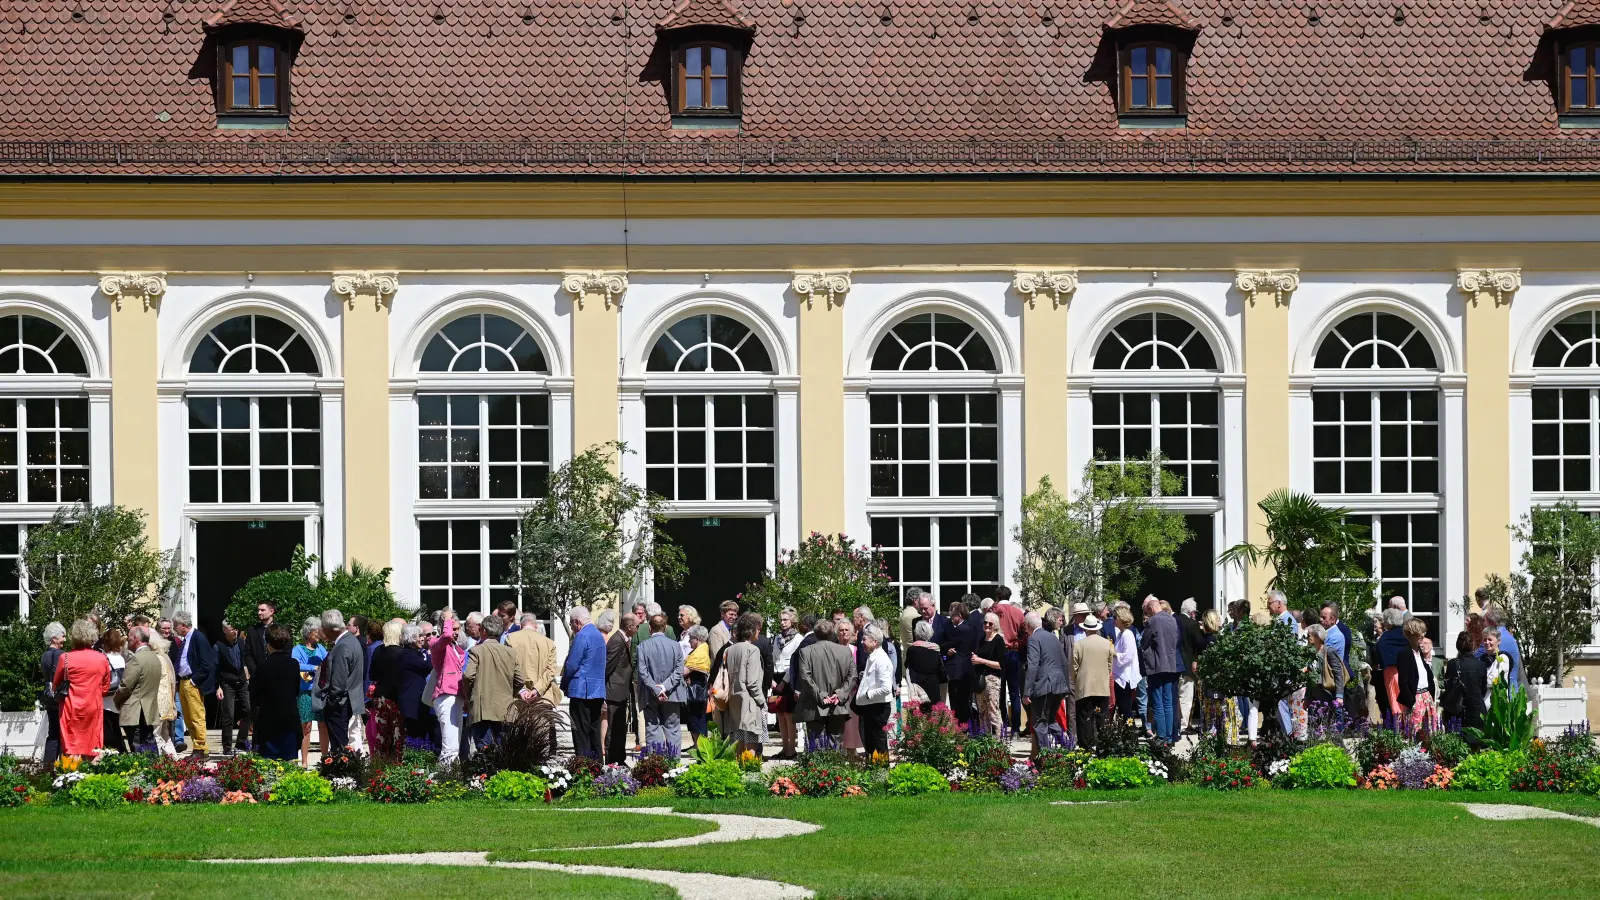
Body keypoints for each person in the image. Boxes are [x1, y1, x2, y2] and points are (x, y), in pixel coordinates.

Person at [50, 619, 111, 758]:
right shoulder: (102, 658)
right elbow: (105, 688)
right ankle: (92, 776)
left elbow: (55, 686)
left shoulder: (64, 658)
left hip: (70, 708)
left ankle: (71, 776)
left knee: (71, 747)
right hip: (93, 707)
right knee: (93, 747)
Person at [796, 618, 856, 747]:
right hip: (838, 704)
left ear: (815, 633)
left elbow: (805, 677)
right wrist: (839, 694)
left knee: (816, 746)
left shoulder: (806, 652)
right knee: (836, 744)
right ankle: (835, 767)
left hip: (814, 705)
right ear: (832, 633)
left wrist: (821, 695)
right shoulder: (845, 651)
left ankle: (817, 768)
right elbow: (852, 676)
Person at [463, 614, 521, 748]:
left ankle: (486, 770)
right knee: (503, 750)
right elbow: (520, 679)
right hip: (505, 707)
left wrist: (468, 696)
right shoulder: (511, 653)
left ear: (483, 631)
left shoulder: (476, 651)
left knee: (484, 751)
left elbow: (468, 676)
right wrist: (510, 693)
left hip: (481, 707)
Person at [252, 624, 304, 761]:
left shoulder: (262, 666)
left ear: (267, 643)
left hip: (269, 722)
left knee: (269, 766)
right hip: (289, 720)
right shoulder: (294, 664)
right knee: (290, 765)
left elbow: (255, 695)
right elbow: (296, 690)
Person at [561, 606, 607, 759]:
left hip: (581, 690)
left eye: (571, 624)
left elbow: (572, 664)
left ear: (577, 622)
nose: (572, 628)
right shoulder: (599, 636)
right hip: (597, 690)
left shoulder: (582, 635)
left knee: (580, 731)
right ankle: (597, 765)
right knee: (594, 730)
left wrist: (564, 684)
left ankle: (583, 766)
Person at [637, 613, 687, 749]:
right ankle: (673, 763)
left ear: (649, 628)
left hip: (649, 694)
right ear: (665, 628)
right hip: (672, 693)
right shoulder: (676, 646)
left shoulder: (642, 647)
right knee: (673, 729)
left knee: (653, 728)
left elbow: (642, 672)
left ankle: (657, 765)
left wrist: (657, 688)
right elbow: (679, 670)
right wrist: (665, 687)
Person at [320, 609, 366, 752]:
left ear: (330, 629)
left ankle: (340, 773)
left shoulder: (343, 645)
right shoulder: (351, 640)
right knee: (343, 744)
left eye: (324, 628)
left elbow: (338, 682)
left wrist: (330, 701)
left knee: (339, 746)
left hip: (341, 703)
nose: (323, 632)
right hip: (348, 699)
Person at [170, 610, 215, 756]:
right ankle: (198, 747)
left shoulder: (198, 637)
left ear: (183, 625)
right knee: (188, 718)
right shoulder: (186, 639)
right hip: (184, 682)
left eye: (175, 625)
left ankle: (200, 747)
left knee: (196, 716)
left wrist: (195, 680)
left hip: (192, 682)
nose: (174, 629)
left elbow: (206, 664)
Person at [1022, 611, 1068, 750]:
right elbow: (1064, 662)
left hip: (1043, 686)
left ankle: (1045, 756)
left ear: (1028, 625)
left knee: (1039, 723)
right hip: (1058, 685)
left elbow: (1033, 665)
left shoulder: (1034, 638)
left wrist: (1026, 692)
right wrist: (1065, 686)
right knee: (1051, 720)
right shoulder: (1052, 636)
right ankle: (1068, 747)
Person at [725, 612, 768, 757]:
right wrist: (762, 702)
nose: (759, 632)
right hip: (749, 701)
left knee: (738, 741)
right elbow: (753, 682)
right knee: (751, 742)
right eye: (758, 628)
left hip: (734, 700)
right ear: (751, 631)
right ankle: (750, 773)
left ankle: (738, 774)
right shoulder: (752, 650)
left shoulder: (730, 649)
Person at [1140, 596, 1181, 743]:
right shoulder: (1172, 619)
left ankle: (1162, 736)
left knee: (1158, 703)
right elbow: (1176, 640)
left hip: (1156, 666)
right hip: (1170, 665)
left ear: (1151, 608)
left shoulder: (1153, 621)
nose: (1147, 614)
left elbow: (1144, 643)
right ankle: (1169, 736)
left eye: (1147, 611)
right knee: (1168, 702)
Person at [368, 619, 410, 761]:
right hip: (397, 698)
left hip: (380, 697)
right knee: (399, 734)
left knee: (382, 734)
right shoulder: (403, 653)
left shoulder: (378, 651)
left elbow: (372, 675)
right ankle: (398, 765)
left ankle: (379, 766)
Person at [115, 625, 162, 750]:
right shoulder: (155, 657)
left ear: (136, 639)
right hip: (149, 710)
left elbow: (125, 686)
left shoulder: (135, 659)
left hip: (135, 711)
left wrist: (116, 700)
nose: (127, 641)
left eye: (129, 638)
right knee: (150, 748)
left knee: (137, 750)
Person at [1072, 615, 1114, 749]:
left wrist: (1076, 680)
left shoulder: (1078, 644)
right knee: (1102, 716)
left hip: (1084, 685)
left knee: (1084, 716)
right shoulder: (1107, 643)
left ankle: (1086, 746)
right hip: (1102, 684)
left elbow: (1074, 667)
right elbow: (1109, 665)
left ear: (1085, 629)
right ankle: (1103, 743)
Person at [854, 623, 895, 756]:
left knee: (878, 743)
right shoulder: (874, 657)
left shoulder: (881, 660)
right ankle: (875, 771)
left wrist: (867, 694)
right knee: (872, 744)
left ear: (875, 642)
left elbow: (886, 688)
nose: (862, 642)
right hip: (871, 706)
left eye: (864, 639)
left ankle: (880, 773)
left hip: (878, 707)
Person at [288, 619, 325, 765]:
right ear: (309, 632)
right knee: (306, 727)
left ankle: (325, 759)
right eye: (317, 631)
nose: (319, 634)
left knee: (323, 725)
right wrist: (314, 668)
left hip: (320, 691)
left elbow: (327, 662)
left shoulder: (321, 648)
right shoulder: (297, 649)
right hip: (305, 692)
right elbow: (296, 665)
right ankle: (304, 762)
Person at [1391, 617, 1436, 735]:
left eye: (1423, 632)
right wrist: (1411, 702)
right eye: (1418, 632)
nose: (1422, 635)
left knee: (1429, 733)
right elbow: (1403, 681)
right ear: (1410, 634)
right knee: (1415, 733)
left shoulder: (1419, 652)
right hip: (1415, 698)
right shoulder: (1405, 653)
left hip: (1426, 697)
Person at [603, 612, 637, 765]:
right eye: (636, 626)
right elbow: (608, 666)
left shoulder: (623, 638)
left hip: (621, 690)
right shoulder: (617, 640)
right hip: (614, 691)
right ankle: (612, 760)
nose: (638, 629)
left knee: (619, 727)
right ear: (629, 627)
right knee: (613, 728)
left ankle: (619, 759)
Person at [990, 586, 1026, 733]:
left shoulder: (993, 611)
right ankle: (1016, 728)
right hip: (1013, 652)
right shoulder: (1018, 612)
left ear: (997, 596)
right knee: (1014, 692)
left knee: (998, 690)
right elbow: (1024, 633)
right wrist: (1018, 643)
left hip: (997, 652)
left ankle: (1003, 725)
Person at [506, 613, 561, 706]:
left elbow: (508, 666)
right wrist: (537, 690)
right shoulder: (549, 643)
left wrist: (522, 690)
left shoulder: (510, 639)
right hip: (543, 698)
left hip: (518, 699)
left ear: (520, 626)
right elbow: (550, 671)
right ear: (535, 625)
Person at [1442, 630, 1489, 736]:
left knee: (1456, 741)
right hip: (1476, 707)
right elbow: (1483, 689)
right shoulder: (1480, 665)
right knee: (1476, 743)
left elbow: (1448, 687)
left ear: (1457, 646)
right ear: (1472, 645)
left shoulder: (1452, 664)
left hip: (1456, 709)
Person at [215, 621, 251, 755]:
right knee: (228, 715)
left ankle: (241, 742)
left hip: (241, 681)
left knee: (247, 710)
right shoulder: (218, 646)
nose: (235, 631)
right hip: (226, 682)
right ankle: (227, 746)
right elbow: (215, 668)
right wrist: (218, 686)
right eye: (231, 629)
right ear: (224, 630)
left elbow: (245, 659)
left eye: (236, 629)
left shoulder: (242, 643)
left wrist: (247, 671)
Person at [770, 607, 802, 759]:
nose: (782, 623)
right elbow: (773, 657)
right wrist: (771, 678)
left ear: (792, 621)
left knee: (789, 715)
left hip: (789, 678)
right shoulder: (776, 638)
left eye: (785, 620)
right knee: (780, 714)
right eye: (781, 620)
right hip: (776, 676)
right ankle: (784, 748)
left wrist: (784, 681)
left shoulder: (798, 639)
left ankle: (791, 748)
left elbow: (795, 663)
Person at [942, 599, 980, 726]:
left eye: (953, 615)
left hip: (957, 669)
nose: (951, 618)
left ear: (960, 616)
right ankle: (966, 726)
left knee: (957, 701)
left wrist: (945, 649)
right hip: (967, 668)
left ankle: (961, 727)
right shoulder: (971, 628)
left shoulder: (960, 629)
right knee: (965, 700)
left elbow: (947, 643)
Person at [394, 623, 434, 738]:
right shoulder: (407, 655)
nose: (422, 639)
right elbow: (428, 666)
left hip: (418, 699)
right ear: (411, 638)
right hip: (411, 701)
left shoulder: (416, 653)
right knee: (413, 733)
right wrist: (431, 653)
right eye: (419, 636)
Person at [243, 601, 275, 740]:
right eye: (258, 610)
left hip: (275, 677)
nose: (259, 613)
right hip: (258, 677)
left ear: (271, 611)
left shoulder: (281, 629)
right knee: (256, 712)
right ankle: (257, 745)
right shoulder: (253, 630)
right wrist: (255, 671)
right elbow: (247, 653)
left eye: (262, 610)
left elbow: (286, 651)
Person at [145, 630, 179, 756]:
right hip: (166, 703)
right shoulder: (163, 657)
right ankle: (174, 762)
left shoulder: (155, 659)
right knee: (165, 735)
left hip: (158, 703)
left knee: (157, 735)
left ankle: (158, 764)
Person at [972, 612, 1005, 736]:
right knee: (982, 711)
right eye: (985, 622)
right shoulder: (982, 639)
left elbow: (1000, 664)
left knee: (993, 711)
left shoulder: (998, 640)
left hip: (992, 679)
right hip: (980, 680)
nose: (987, 625)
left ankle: (998, 741)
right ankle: (986, 740)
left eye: (990, 623)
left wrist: (981, 661)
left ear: (995, 625)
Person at [1375, 607, 1410, 728]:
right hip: (1408, 670)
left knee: (1395, 699)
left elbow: (1379, 653)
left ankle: (1398, 726)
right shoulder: (1407, 634)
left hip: (1391, 671)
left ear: (1388, 622)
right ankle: (1408, 725)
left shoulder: (1385, 637)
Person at [1479, 601, 1525, 690]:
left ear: (1492, 621)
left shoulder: (1496, 636)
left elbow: (1478, 655)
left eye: (1484, 620)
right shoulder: (1508, 635)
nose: (1483, 623)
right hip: (1512, 686)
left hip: (1502, 689)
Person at [835, 620, 863, 754]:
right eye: (841, 630)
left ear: (851, 632)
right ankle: (841, 752)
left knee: (852, 725)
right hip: (838, 693)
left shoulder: (857, 650)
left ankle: (852, 752)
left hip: (853, 693)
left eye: (846, 630)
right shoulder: (833, 650)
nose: (844, 632)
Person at [1177, 598, 1205, 733]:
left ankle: (1177, 723)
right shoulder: (1192, 624)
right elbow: (1199, 643)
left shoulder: (1175, 620)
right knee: (1186, 697)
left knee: (1176, 696)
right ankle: (1183, 725)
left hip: (1175, 664)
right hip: (1188, 665)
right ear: (1191, 611)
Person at [904, 620, 944, 713]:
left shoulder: (912, 650)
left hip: (917, 684)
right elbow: (939, 667)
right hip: (933, 684)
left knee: (919, 714)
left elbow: (907, 665)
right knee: (933, 714)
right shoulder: (936, 649)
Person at [1111, 606, 1141, 725]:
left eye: (1115, 617)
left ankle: (1130, 737)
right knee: (1123, 709)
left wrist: (1115, 654)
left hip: (1125, 676)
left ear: (1121, 618)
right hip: (1119, 675)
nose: (1113, 620)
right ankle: (1126, 735)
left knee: (1126, 709)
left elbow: (1129, 655)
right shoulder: (1121, 634)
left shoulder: (1127, 634)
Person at [99, 628, 128, 752]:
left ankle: (113, 753)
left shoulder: (103, 658)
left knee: (108, 731)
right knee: (117, 728)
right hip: (118, 697)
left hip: (106, 698)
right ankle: (121, 752)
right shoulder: (121, 659)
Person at [1305, 624, 1346, 708]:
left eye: (1309, 635)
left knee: (1327, 719)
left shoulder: (1329, 651)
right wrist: (1307, 698)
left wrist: (1339, 696)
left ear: (1317, 636)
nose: (1307, 638)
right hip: (1313, 694)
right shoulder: (1311, 653)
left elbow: (1338, 673)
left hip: (1326, 693)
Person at [683, 625, 712, 741]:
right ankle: (698, 746)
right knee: (696, 717)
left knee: (696, 718)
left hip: (697, 689)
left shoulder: (700, 653)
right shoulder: (700, 650)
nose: (689, 641)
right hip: (696, 687)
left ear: (697, 639)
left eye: (690, 638)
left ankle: (699, 746)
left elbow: (684, 671)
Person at [1483, 629, 1513, 694]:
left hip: (1498, 698)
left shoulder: (1503, 657)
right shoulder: (1482, 658)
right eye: (1485, 640)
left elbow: (1493, 680)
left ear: (1498, 641)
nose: (1487, 642)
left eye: (1490, 640)